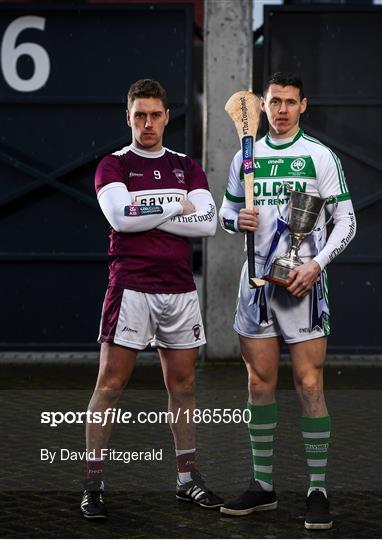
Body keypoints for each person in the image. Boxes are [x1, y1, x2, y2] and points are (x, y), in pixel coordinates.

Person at [219, 72, 356, 530]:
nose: (280, 110)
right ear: (262, 104)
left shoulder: (319, 156)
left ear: (303, 106)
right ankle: (263, 487)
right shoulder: (245, 156)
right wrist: (235, 218)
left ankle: (317, 490)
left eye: (289, 103)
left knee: (309, 385)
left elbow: (347, 222)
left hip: (302, 287)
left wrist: (315, 265)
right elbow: (224, 212)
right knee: (259, 384)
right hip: (256, 286)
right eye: (273, 102)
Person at [81, 78, 223, 519]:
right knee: (110, 385)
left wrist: (149, 211)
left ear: (167, 117)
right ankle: (93, 483)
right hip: (131, 288)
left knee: (183, 386)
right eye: (139, 114)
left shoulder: (186, 166)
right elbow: (122, 220)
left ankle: (186, 479)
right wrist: (173, 207)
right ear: (128, 116)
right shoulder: (114, 165)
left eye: (155, 115)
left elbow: (208, 223)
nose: (147, 123)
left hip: (179, 289)